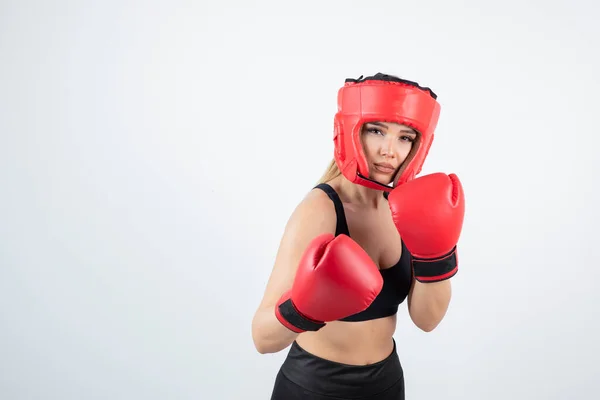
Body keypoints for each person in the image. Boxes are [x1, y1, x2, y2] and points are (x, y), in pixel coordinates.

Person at [251, 73, 465, 400]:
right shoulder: (320, 210)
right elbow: (263, 338)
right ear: (350, 132)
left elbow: (427, 320)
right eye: (376, 130)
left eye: (405, 137)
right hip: (315, 385)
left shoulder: (411, 209)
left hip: (386, 382)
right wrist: (303, 308)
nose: (389, 150)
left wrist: (437, 255)